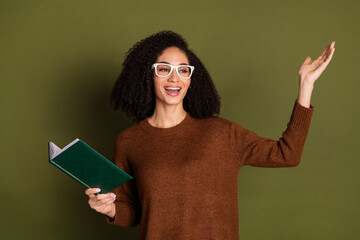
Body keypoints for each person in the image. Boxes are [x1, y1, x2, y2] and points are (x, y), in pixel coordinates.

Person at [85, 31, 335, 239]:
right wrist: (110, 209)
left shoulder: (221, 133)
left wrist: (306, 86)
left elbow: (287, 154)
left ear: (192, 78)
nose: (174, 78)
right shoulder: (129, 141)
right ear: (147, 75)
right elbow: (137, 212)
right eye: (164, 69)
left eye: (184, 70)